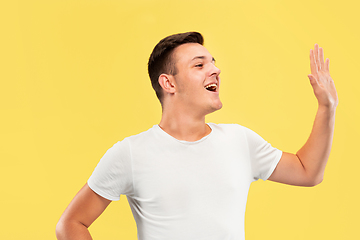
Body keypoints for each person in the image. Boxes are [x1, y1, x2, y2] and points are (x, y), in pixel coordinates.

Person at [55, 32, 338, 240]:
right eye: (199, 65)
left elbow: (307, 172)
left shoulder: (240, 141)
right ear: (169, 83)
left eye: (213, 63)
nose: (215, 69)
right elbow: (72, 223)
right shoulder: (130, 153)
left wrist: (327, 107)